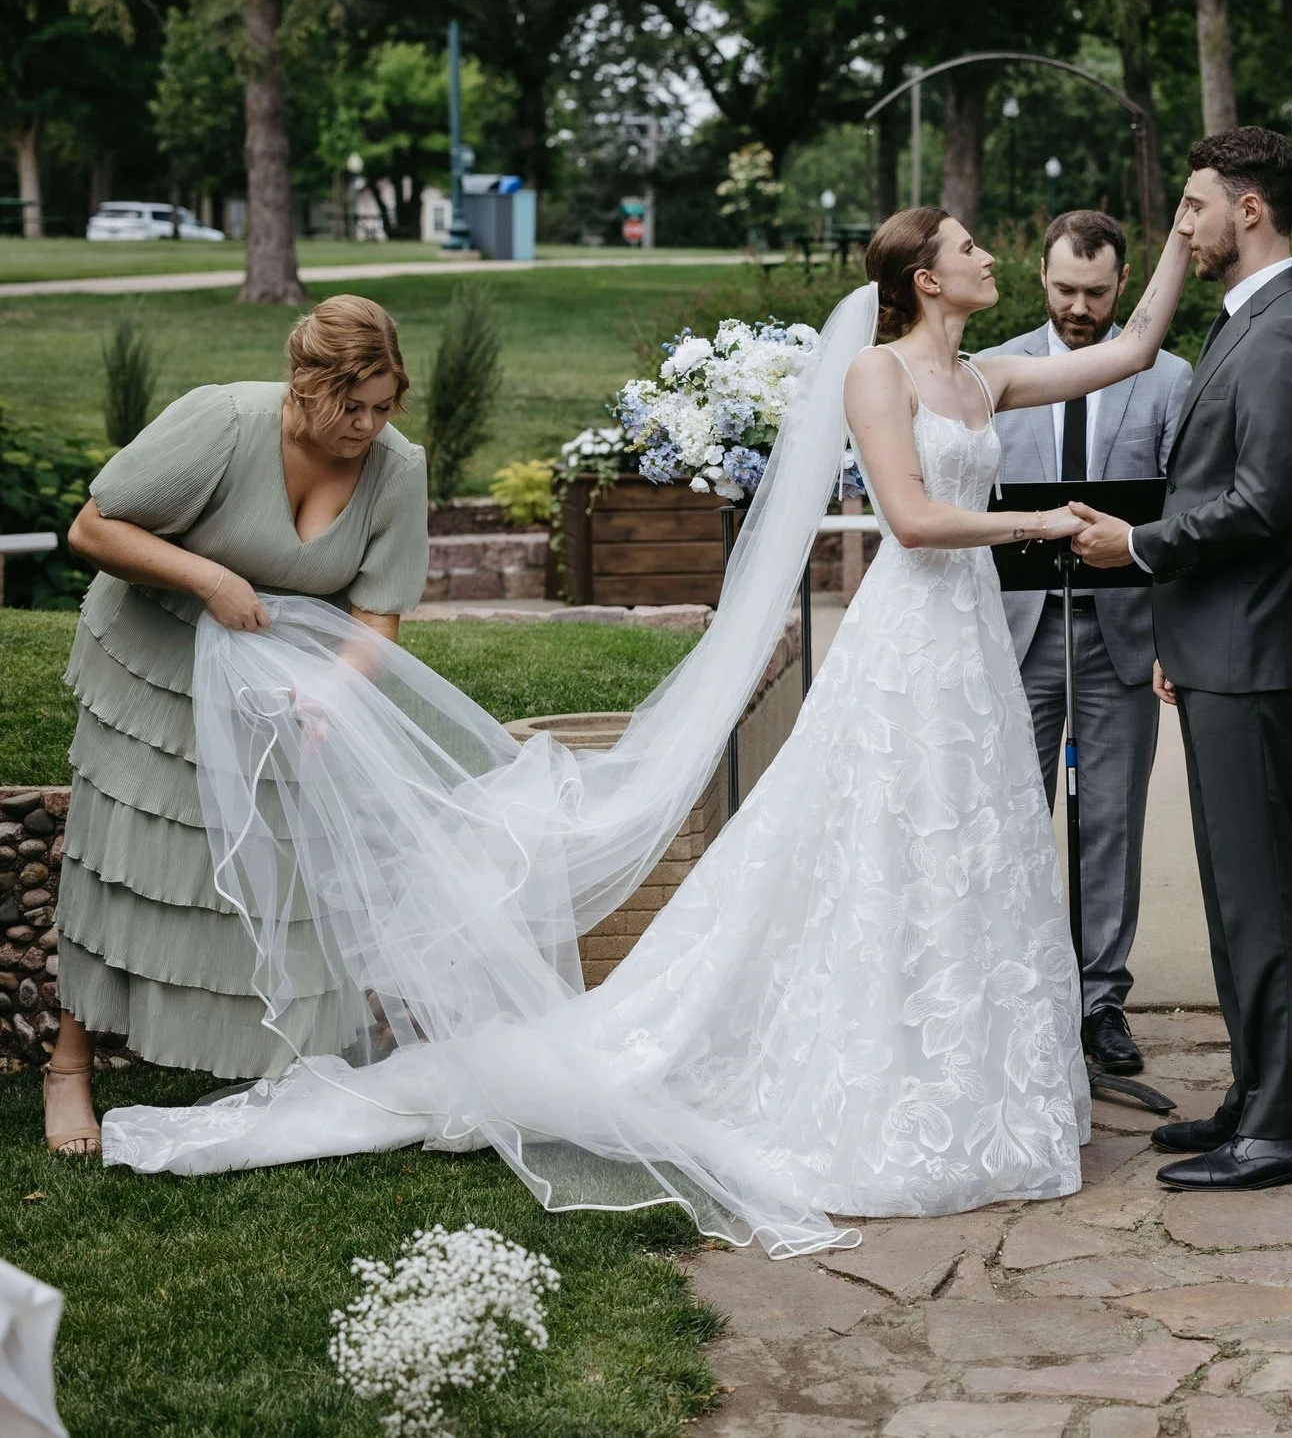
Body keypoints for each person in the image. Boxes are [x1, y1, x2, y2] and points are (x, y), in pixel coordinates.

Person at [97, 206, 1198, 1255]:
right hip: (910, 643)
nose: (990, 258)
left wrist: (1182, 243)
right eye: (970, 247)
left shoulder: (986, 376)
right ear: (925, 277)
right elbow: (909, 521)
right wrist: (1046, 519)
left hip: (968, 656)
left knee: (972, 853)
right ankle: (856, 1069)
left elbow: (1139, 344)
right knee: (874, 851)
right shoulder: (880, 371)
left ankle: (964, 1077)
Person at [45, 297, 431, 1156]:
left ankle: (273, 1059)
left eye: (383, 404)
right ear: (303, 383)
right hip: (155, 665)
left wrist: (331, 694)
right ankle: (69, 1065)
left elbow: (377, 614)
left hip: (277, 686)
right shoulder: (222, 420)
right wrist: (209, 579)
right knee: (130, 857)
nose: (368, 425)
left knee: (280, 872)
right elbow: (91, 526)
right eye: (350, 405)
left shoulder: (398, 469)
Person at [1068, 126, 1292, 1193]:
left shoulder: (1287, 335)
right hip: (1220, 642)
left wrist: (1135, 547)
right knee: (1241, 889)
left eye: (1192, 207)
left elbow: (1265, 501)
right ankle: (1254, 1088)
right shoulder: (1251, 321)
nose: (1180, 226)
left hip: (1254, 646)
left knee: (1262, 891)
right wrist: (1179, 630)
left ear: (1248, 209)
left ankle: (1286, 1127)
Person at [978, 210, 1191, 1079]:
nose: (1078, 307)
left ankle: (1101, 998)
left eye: (1096, 293)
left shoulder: (1170, 379)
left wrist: (1175, 637)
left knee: (1111, 820)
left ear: (1123, 281)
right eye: (1064, 289)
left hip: (1124, 634)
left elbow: (1185, 518)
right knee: (1012, 818)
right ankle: (1017, 995)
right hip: (1016, 635)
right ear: (1040, 275)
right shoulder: (991, 373)